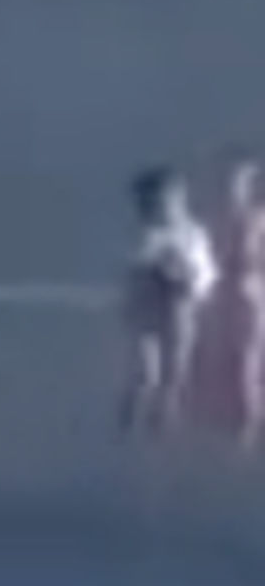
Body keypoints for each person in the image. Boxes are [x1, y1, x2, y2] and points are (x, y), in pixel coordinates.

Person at [124, 166, 218, 436]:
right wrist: (163, 264)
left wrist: (193, 282)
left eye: (175, 199)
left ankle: (161, 424)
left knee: (175, 372)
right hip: (145, 310)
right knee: (146, 373)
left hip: (181, 309)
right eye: (162, 201)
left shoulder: (193, 233)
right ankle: (129, 418)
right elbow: (135, 263)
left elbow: (206, 271)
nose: (170, 206)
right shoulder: (145, 234)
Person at [201, 158, 265, 444]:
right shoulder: (216, 219)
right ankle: (238, 418)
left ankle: (249, 422)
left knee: (248, 360)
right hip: (224, 293)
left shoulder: (258, 218)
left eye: (239, 182)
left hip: (250, 293)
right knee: (230, 359)